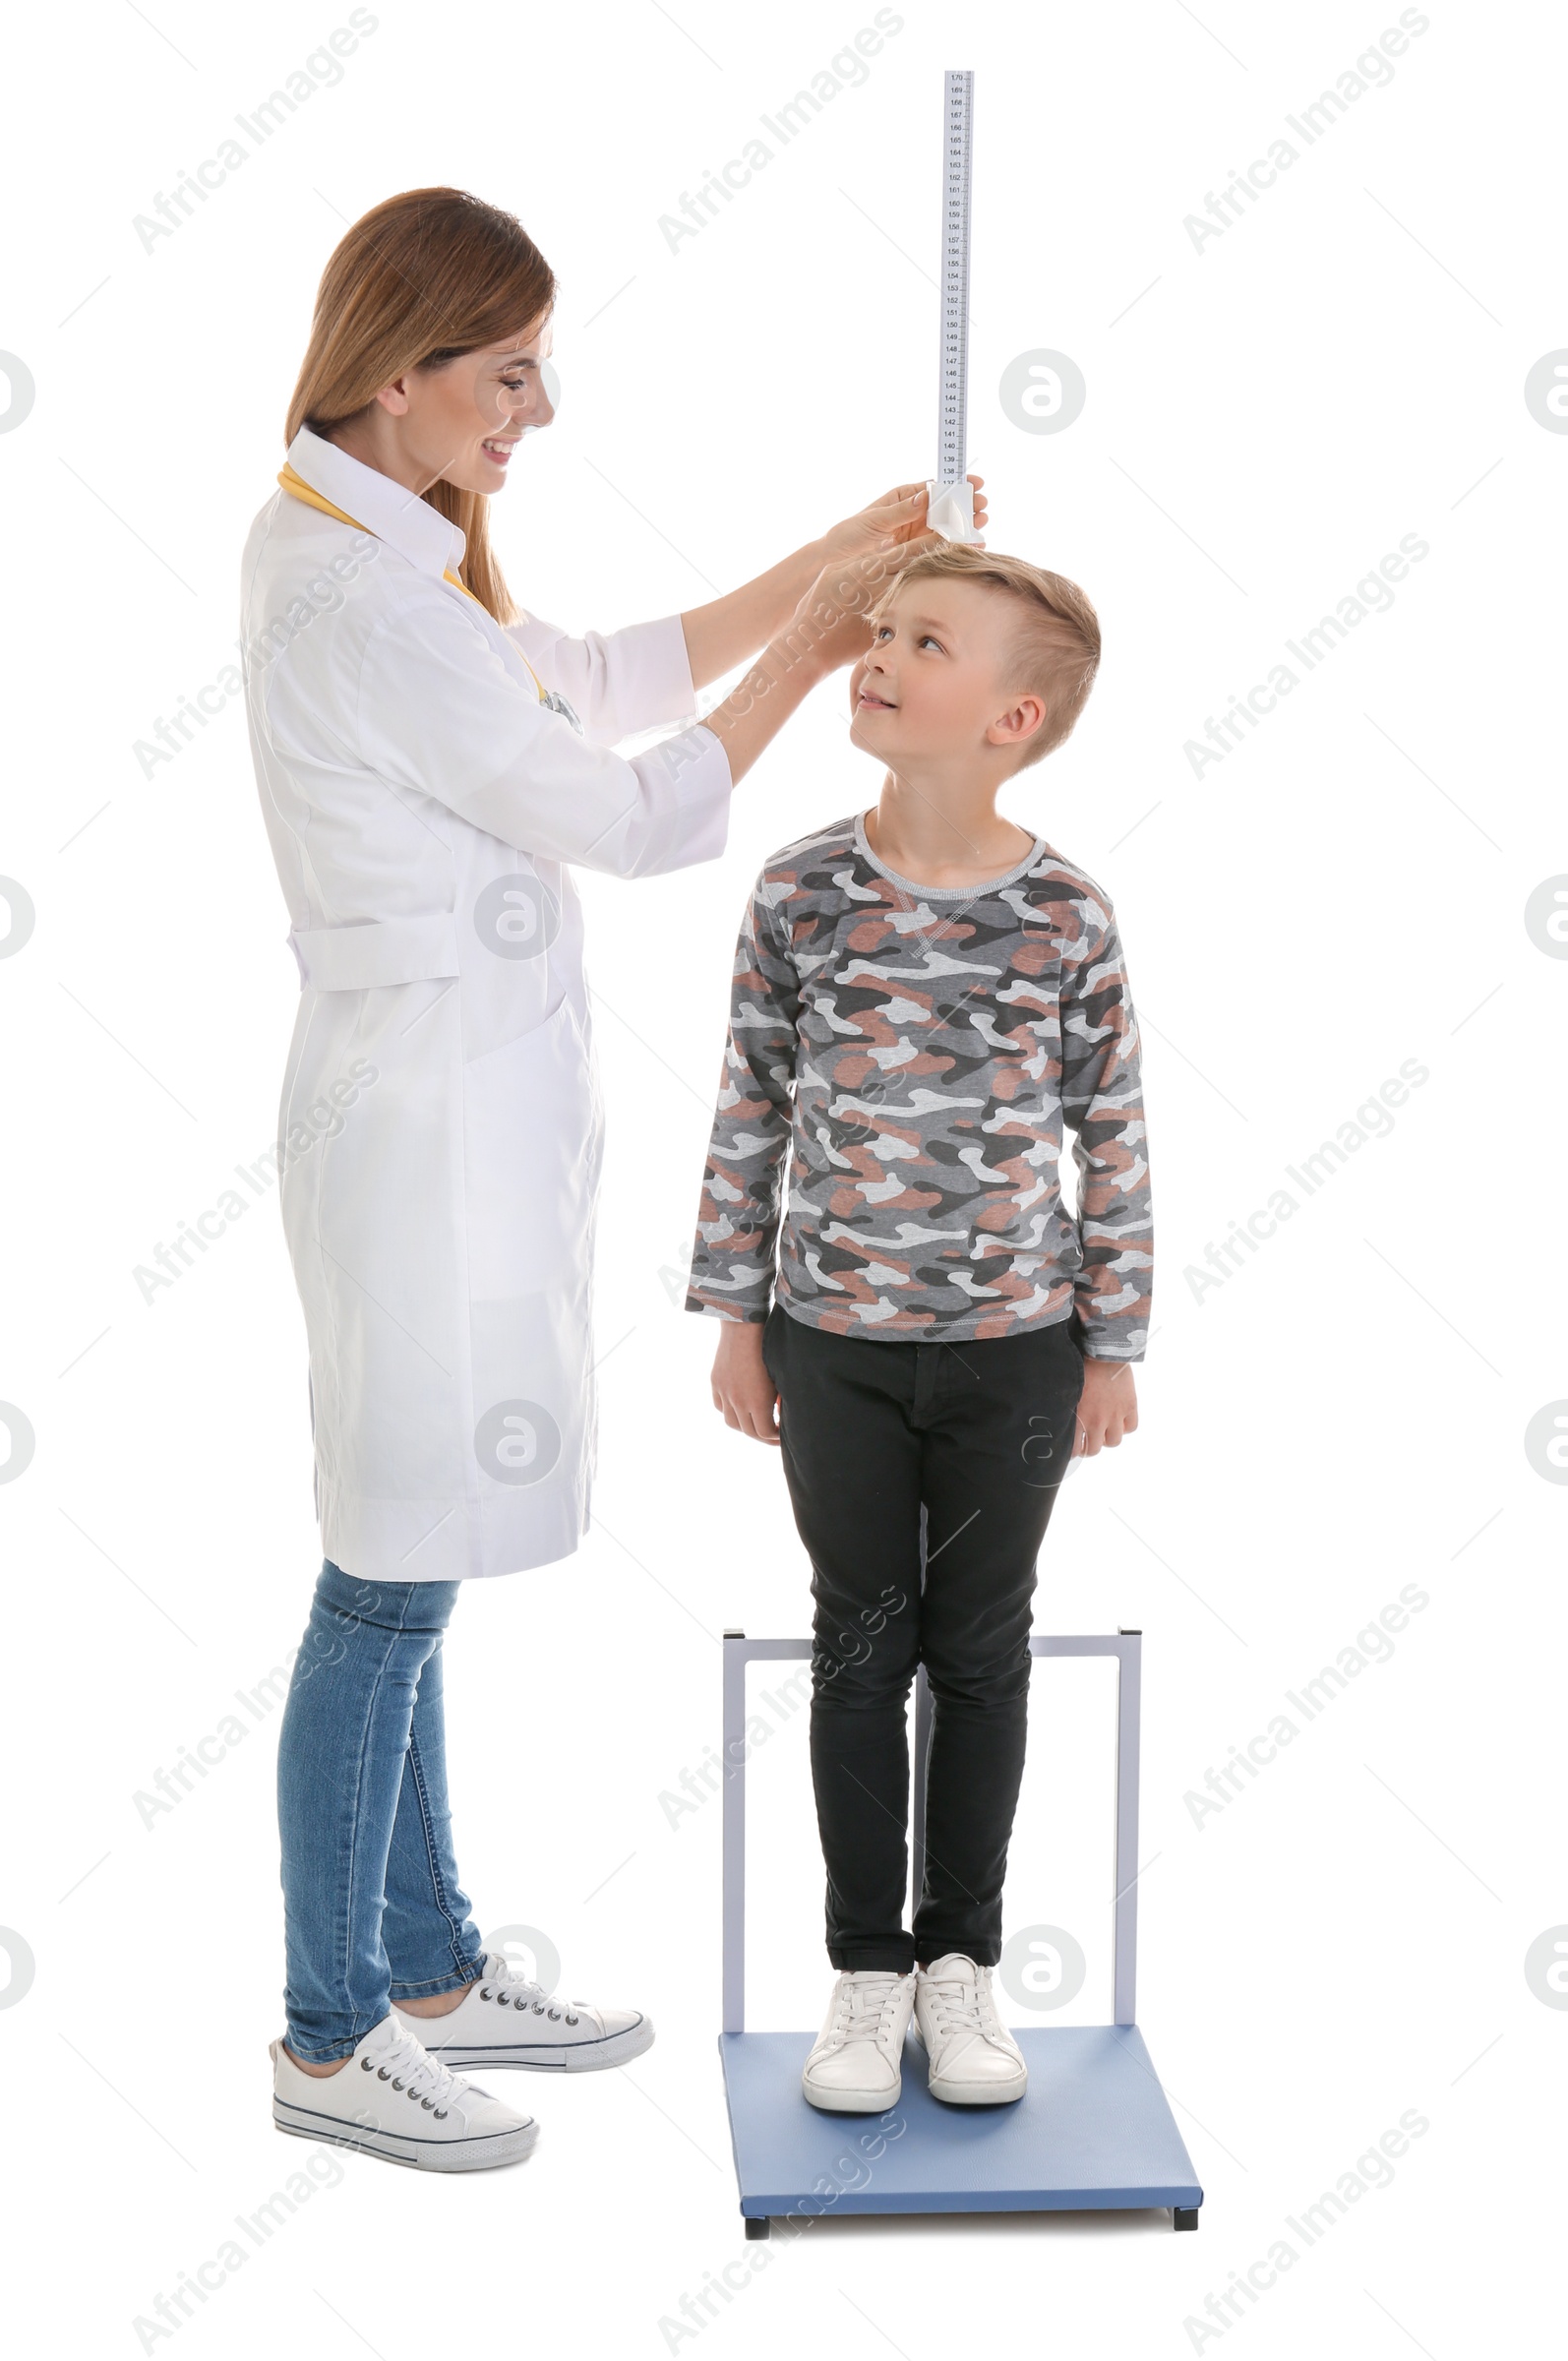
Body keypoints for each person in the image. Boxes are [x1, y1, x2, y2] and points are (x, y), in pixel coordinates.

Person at [242, 184, 981, 2172]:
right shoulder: (358, 602)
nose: (534, 411)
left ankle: (425, 1963)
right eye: (505, 375)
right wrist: (820, 638)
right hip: (413, 1129)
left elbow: (596, 673)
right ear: (399, 377)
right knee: (381, 1587)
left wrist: (820, 567)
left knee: (411, 1571)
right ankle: (329, 2034)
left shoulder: (384, 546)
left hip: (455, 1116)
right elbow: (640, 811)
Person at [685, 540, 1151, 2112]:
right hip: (834, 1344)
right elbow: (749, 1109)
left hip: (1020, 1349)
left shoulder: (1070, 918)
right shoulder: (800, 891)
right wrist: (736, 1318)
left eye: (924, 641)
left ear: (1012, 717)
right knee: (857, 1641)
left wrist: (1114, 1340)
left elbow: (1117, 1134)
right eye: (878, 629)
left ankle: (962, 1963)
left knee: (983, 1645)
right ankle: (863, 1973)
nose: (876, 654)